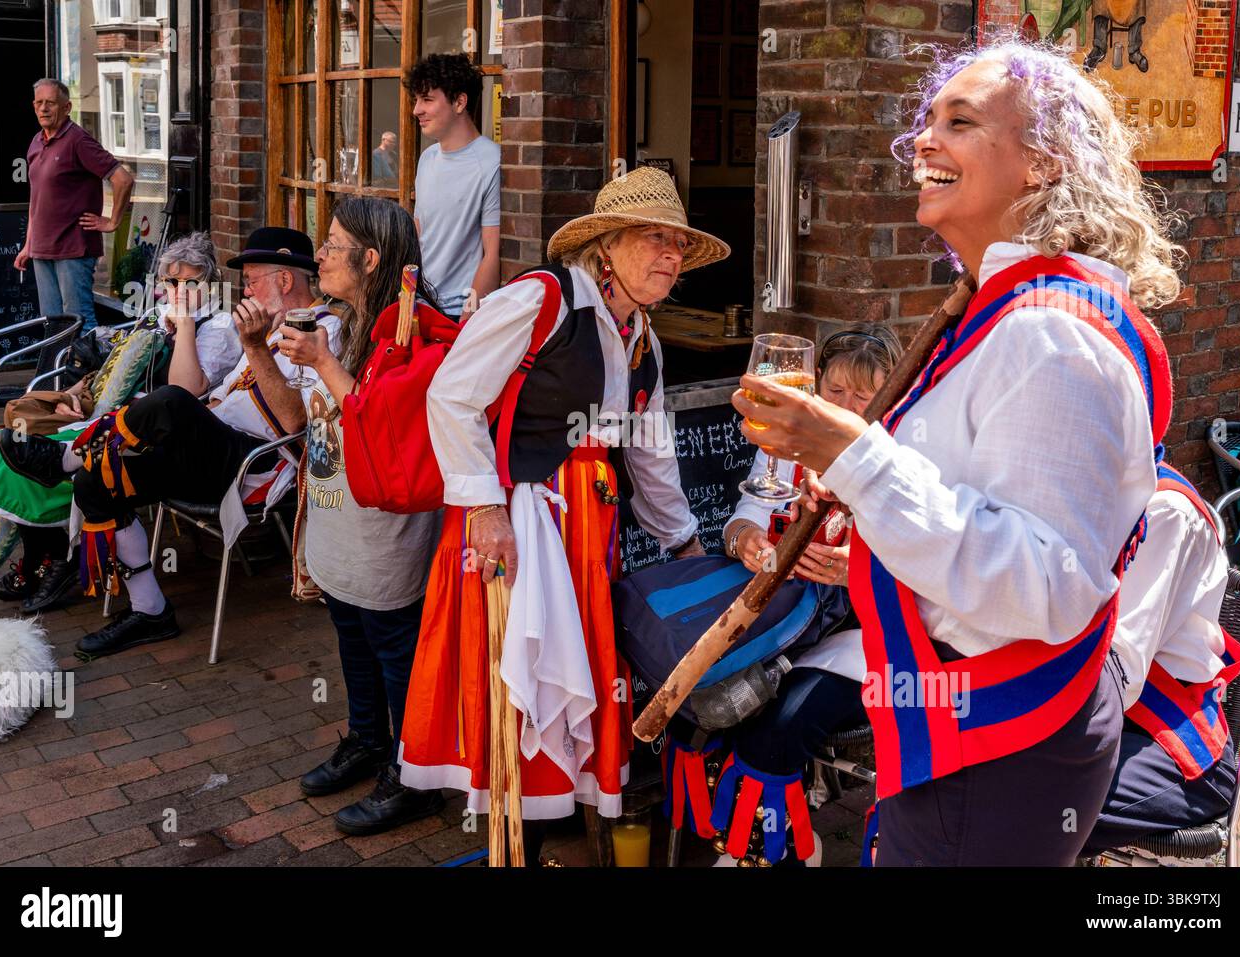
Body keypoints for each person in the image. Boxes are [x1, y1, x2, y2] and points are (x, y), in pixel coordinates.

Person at [735, 39, 1180, 865]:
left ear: (1043, 163)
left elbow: (1045, 584)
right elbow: (967, 492)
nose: (922, 143)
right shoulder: (999, 311)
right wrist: (861, 510)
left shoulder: (1050, 333)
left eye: (961, 122)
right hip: (965, 721)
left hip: (999, 742)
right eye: (925, 123)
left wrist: (854, 456)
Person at [400, 166, 724, 860]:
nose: (670, 257)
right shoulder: (542, 301)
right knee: (518, 687)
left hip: (588, 529)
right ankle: (511, 841)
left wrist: (687, 545)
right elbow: (451, 395)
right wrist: (485, 508)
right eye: (654, 240)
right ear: (606, 246)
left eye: (678, 246)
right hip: (520, 519)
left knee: (566, 677)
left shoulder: (643, 341)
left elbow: (650, 455)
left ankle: (541, 837)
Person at [0, 228, 340, 659]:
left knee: (174, 401)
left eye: (252, 279)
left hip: (253, 463)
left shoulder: (325, 330)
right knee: (96, 482)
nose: (246, 289)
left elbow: (294, 420)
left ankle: (66, 455)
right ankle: (151, 611)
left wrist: (253, 347)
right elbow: (221, 396)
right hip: (210, 448)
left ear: (284, 281)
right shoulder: (271, 328)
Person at [687, 324, 904, 867]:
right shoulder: (789, 447)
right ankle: (738, 838)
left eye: (865, 393)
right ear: (815, 390)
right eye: (836, 391)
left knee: (781, 724)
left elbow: (931, 565)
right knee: (703, 699)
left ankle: (778, 849)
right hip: (784, 621)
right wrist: (748, 542)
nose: (849, 405)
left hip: (868, 636)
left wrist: (860, 572)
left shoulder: (906, 457)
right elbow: (746, 515)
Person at [276, 197, 448, 835]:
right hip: (339, 524)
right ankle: (369, 740)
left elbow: (382, 420)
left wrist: (322, 362)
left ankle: (414, 776)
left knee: (394, 651)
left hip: (386, 532)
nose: (317, 255)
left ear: (371, 259)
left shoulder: (416, 330)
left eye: (331, 243)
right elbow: (300, 419)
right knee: (350, 634)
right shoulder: (341, 321)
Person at [0, 231, 241, 614]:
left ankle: (62, 558)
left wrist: (184, 326)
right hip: (106, 414)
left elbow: (183, 392)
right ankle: (44, 552)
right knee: (5, 446)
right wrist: (75, 395)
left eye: (191, 282)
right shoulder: (154, 316)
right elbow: (112, 369)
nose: (179, 290)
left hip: (157, 433)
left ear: (211, 285)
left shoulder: (219, 327)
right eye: (171, 281)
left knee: (47, 462)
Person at [1083, 462, 1240, 853]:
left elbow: (1115, 677)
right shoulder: (1085, 489)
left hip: (1174, 746)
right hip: (1114, 724)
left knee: (1021, 807)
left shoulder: (1164, 508)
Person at [14, 78, 135, 331]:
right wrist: (28, 244)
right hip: (41, 249)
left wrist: (113, 221)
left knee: (78, 321)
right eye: (39, 103)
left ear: (67, 107)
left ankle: (89, 372)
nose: (44, 109)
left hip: (73, 249)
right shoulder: (36, 142)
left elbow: (123, 179)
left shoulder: (78, 140)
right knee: (53, 325)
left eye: (50, 103)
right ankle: (60, 371)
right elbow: (37, 198)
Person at [408, 53, 501, 320]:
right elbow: (418, 235)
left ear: (460, 102)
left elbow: (491, 253)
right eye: (416, 100)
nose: (417, 110)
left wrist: (469, 317)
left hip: (457, 313)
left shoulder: (490, 162)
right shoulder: (427, 159)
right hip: (418, 307)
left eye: (427, 99)